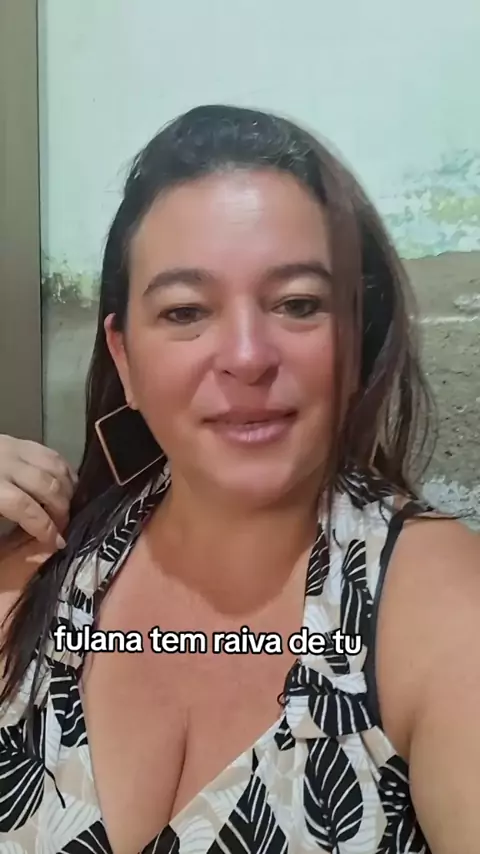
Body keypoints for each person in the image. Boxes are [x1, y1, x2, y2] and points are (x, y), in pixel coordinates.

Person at [0, 104, 479, 854]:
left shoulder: (438, 607)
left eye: (298, 304)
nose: (248, 356)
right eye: (186, 311)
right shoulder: (35, 569)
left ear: (354, 336)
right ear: (125, 358)